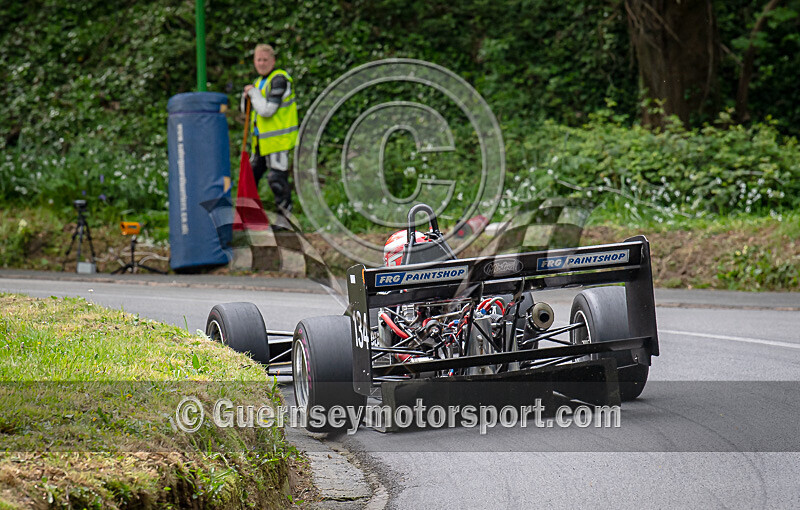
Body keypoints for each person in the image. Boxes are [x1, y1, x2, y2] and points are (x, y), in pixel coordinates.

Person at [242, 44, 298, 225]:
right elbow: (248, 112)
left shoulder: (279, 79)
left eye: (265, 59)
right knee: (250, 177)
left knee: (277, 181)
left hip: (279, 141)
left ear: (273, 61)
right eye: (258, 59)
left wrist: (252, 93)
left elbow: (267, 110)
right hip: (261, 143)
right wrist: (247, 97)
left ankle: (284, 222)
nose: (262, 63)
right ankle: (251, 219)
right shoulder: (258, 82)